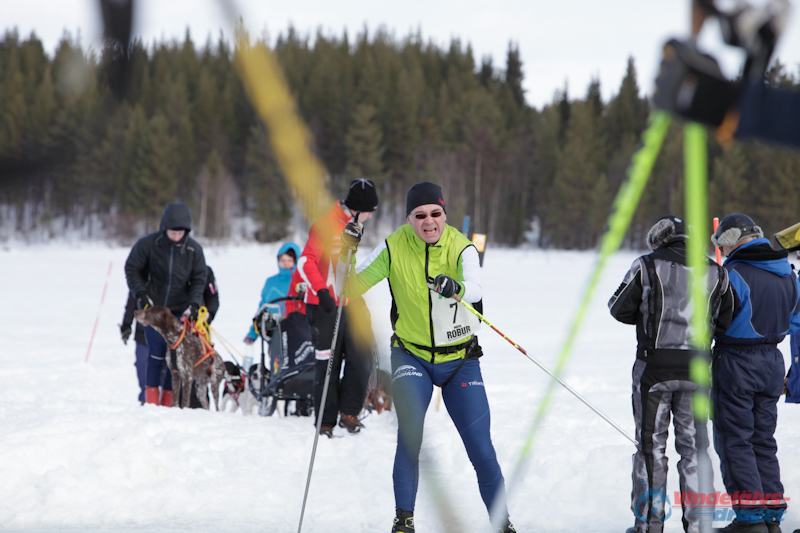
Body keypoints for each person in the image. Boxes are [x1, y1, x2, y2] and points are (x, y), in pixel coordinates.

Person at [343, 182, 516, 533]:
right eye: (419, 215)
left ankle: (502, 523)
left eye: (435, 213)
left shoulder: (461, 247)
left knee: (481, 447)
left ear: (444, 215)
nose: (428, 222)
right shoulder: (394, 247)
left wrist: (458, 289)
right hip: (412, 357)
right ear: (408, 219)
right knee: (410, 436)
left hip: (460, 360)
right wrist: (345, 255)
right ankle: (404, 521)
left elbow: (476, 289)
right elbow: (348, 289)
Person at [608, 215, 733, 533]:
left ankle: (649, 524)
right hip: (697, 370)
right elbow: (725, 319)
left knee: (652, 448)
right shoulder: (717, 271)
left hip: (654, 370)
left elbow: (618, 307)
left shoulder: (646, 265)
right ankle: (699, 524)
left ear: (660, 239)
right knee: (695, 450)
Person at [709, 213, 800, 533]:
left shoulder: (732, 274)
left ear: (732, 240)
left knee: (735, 440)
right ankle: (771, 514)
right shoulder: (789, 275)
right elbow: (796, 319)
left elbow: (711, 322)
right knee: (763, 439)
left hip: (736, 362)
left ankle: (749, 520)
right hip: (773, 363)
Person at [287, 178, 378, 437]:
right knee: (328, 363)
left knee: (361, 358)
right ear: (357, 208)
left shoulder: (354, 225)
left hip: (349, 302)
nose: (371, 216)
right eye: (369, 210)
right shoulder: (325, 225)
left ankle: (349, 412)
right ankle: (325, 420)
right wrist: (322, 291)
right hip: (324, 305)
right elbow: (305, 262)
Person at [124, 202, 207, 407]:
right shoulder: (148, 245)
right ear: (164, 228)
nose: (176, 236)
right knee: (155, 355)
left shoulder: (193, 250)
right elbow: (132, 268)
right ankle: (151, 402)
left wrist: (194, 304)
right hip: (155, 311)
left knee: (175, 358)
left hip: (179, 311)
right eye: (172, 232)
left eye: (180, 233)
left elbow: (199, 279)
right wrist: (141, 294)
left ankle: (169, 402)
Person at [243, 242, 302, 345]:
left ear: (296, 261)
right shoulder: (271, 282)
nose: (286, 263)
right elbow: (262, 308)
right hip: (275, 332)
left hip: (299, 331)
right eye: (282, 260)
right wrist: (253, 333)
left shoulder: (302, 282)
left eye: (289, 260)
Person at [120, 292, 148, 404]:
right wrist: (126, 324)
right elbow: (132, 301)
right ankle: (146, 396)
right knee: (142, 363)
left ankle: (163, 396)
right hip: (142, 333)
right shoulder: (139, 277)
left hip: (164, 331)